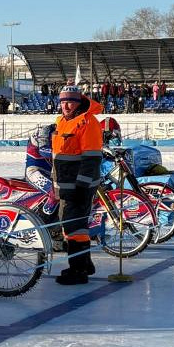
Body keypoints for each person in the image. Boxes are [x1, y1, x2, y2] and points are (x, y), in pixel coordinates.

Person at [51, 85, 103, 285]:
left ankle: (78, 270)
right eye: (63, 101)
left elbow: (91, 158)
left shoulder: (87, 122)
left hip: (78, 186)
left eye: (70, 101)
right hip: (65, 185)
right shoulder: (61, 121)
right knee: (74, 226)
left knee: (74, 228)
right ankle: (85, 264)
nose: (65, 105)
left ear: (79, 102)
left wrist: (82, 186)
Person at [25, 124, 57, 216]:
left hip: (52, 171)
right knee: (56, 191)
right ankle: (45, 215)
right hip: (34, 171)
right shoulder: (44, 131)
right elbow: (44, 151)